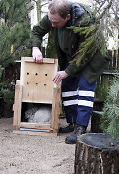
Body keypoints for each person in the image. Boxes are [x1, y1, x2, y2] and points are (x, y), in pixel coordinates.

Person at [31, 0, 109, 144]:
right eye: (50, 21)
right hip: (71, 53)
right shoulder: (53, 16)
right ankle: (72, 123)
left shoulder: (85, 21)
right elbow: (37, 31)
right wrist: (35, 47)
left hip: (91, 55)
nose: (52, 25)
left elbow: (86, 53)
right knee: (67, 86)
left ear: (67, 17)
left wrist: (67, 71)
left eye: (55, 23)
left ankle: (81, 128)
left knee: (85, 88)